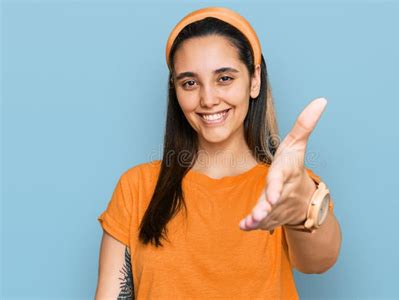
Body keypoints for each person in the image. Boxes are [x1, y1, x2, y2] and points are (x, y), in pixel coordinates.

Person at [95, 6, 342, 299]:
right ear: (175, 90)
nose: (208, 99)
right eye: (189, 83)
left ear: (254, 80)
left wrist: (302, 205)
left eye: (224, 78)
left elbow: (318, 261)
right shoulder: (136, 188)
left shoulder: (286, 185)